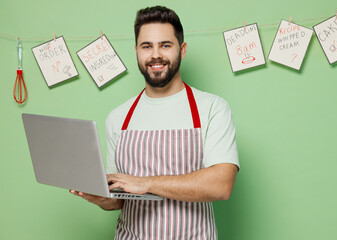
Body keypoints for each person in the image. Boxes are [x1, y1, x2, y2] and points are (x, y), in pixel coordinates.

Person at [71, 5, 239, 239]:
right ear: (137, 50)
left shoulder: (213, 108)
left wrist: (145, 183)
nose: (155, 55)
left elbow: (221, 185)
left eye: (165, 45)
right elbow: (119, 200)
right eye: (147, 46)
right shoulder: (118, 117)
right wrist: (101, 199)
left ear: (182, 49)